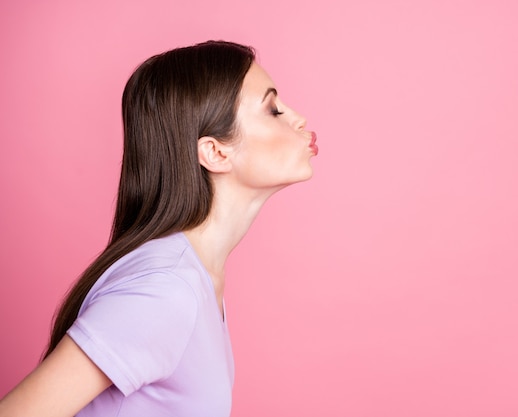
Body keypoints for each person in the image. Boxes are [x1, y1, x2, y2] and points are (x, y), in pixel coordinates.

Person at [0, 40, 318, 417]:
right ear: (216, 152)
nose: (298, 119)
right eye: (273, 109)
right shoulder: (166, 288)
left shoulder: (194, 276)